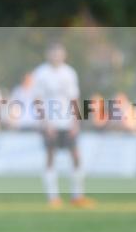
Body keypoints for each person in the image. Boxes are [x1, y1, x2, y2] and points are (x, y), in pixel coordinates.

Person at [32, 43, 95, 208]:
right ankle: (53, 198)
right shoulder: (41, 73)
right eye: (53, 53)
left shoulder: (69, 72)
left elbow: (74, 99)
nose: (56, 56)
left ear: (64, 55)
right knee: (50, 156)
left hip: (67, 122)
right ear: (48, 55)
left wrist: (76, 122)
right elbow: (37, 101)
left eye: (59, 53)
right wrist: (45, 123)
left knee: (75, 156)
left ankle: (77, 196)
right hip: (50, 124)